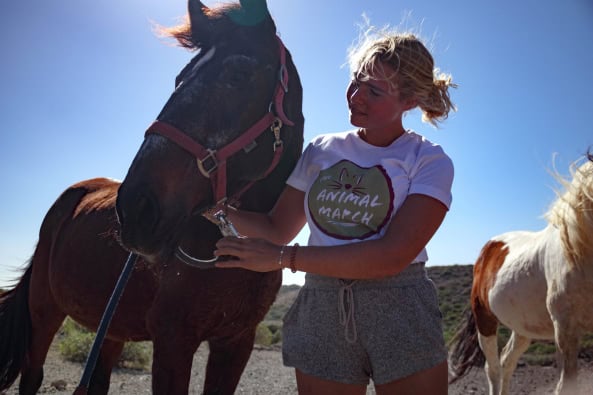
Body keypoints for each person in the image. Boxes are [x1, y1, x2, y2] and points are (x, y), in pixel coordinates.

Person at [211, 26, 456, 395]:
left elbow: (391, 256)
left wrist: (280, 258)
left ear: (408, 101)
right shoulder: (321, 149)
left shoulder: (428, 160)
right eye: (355, 82)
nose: (355, 96)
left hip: (399, 307)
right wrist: (213, 210)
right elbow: (277, 227)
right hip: (322, 307)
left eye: (374, 90)